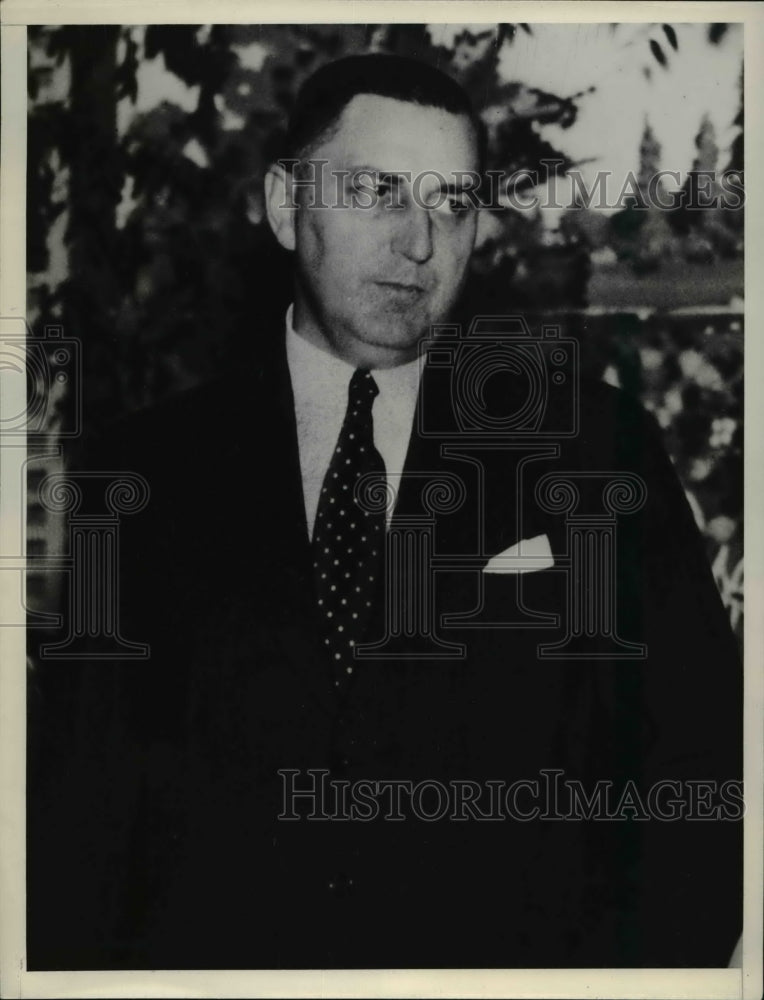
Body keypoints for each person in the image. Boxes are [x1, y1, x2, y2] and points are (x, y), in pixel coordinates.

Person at [27, 53, 742, 971]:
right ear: (285, 205)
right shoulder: (141, 476)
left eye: (453, 203)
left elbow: (702, 784)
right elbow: (79, 834)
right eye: (377, 191)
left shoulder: (594, 451)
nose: (420, 241)